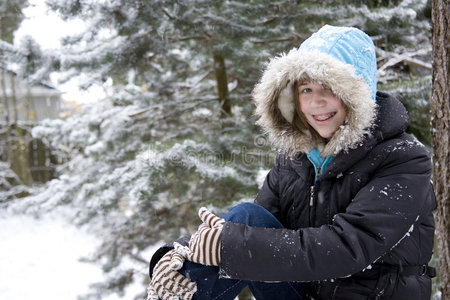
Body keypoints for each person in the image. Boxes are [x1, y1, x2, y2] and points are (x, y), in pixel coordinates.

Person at [147, 25, 436, 300]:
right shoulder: (296, 158)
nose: (316, 102)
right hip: (305, 293)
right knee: (249, 217)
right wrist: (181, 252)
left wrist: (226, 247)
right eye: (306, 90)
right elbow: (251, 226)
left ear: (358, 94)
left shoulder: (403, 159)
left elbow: (348, 248)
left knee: (237, 243)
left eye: (330, 89)